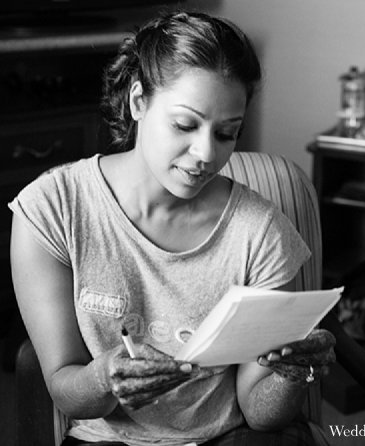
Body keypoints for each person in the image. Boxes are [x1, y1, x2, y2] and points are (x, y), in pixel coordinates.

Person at [9, 11, 335, 446]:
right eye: (185, 125)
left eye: (227, 133)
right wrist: (104, 377)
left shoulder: (260, 232)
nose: (205, 153)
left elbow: (260, 415)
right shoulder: (52, 210)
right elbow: (67, 391)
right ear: (139, 101)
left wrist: (291, 375)